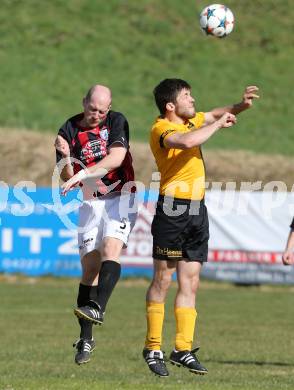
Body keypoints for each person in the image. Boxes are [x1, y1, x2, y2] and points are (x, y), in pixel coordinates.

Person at [143, 79, 259, 377]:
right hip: (172, 208)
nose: (192, 100)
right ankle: (152, 346)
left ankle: (182, 348)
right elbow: (187, 142)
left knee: (191, 282)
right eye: (186, 96)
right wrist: (219, 125)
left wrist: (241, 106)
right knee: (163, 280)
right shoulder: (162, 129)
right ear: (170, 106)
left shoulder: (191, 120)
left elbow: (213, 114)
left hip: (197, 210)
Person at [54, 84, 137, 365]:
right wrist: (66, 157)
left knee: (111, 248)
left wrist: (81, 175)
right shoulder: (68, 129)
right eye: (92, 109)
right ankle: (86, 339)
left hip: (121, 195)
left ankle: (98, 307)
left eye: (102, 110)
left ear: (109, 108)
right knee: (90, 267)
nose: (97, 115)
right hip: (91, 201)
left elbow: (117, 158)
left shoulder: (117, 121)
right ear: (84, 103)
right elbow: (67, 173)